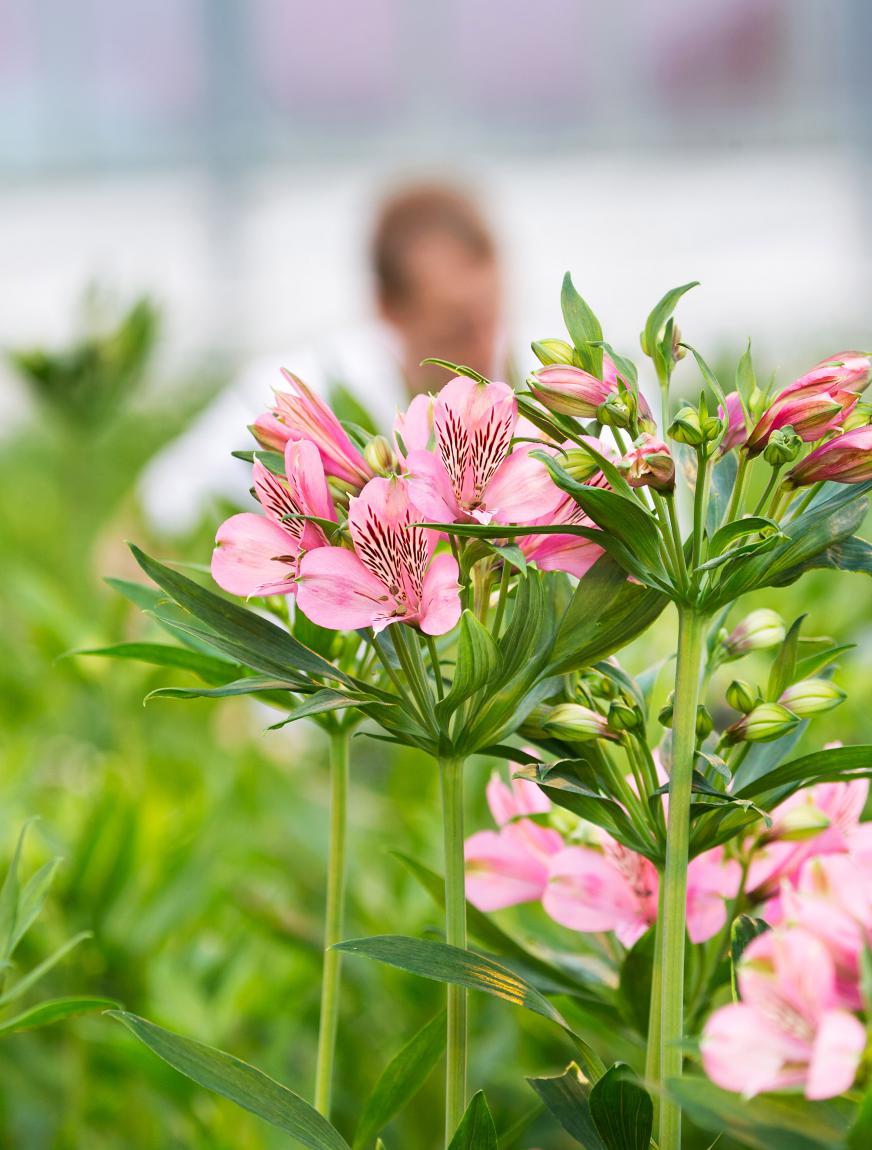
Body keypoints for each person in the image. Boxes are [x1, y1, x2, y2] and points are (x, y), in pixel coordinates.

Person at [140, 181, 510, 534]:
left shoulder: (528, 377)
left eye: (490, 319)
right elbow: (156, 507)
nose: (481, 354)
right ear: (385, 308)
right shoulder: (305, 384)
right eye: (454, 331)